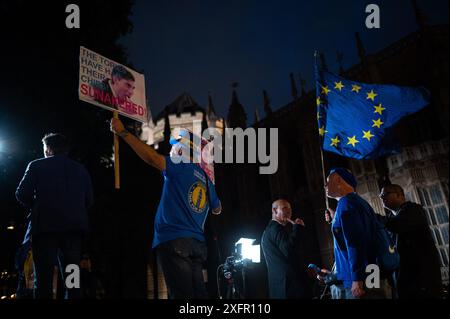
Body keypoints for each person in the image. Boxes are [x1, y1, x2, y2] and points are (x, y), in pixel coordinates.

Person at [110, 118, 221, 299]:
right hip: (197, 245)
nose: (170, 151)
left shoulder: (177, 165)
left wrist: (123, 132)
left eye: (173, 147)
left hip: (174, 240)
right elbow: (217, 208)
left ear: (180, 150)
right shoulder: (207, 180)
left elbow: (152, 158)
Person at [15, 133, 93, 299]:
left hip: (44, 230)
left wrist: (37, 205)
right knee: (73, 280)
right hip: (74, 231)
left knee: (43, 280)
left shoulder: (36, 166)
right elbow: (89, 199)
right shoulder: (81, 169)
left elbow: (21, 194)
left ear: (48, 149)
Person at [324, 167, 389, 299]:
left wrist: (357, 278)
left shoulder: (345, 204)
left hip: (358, 277)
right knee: (375, 294)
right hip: (372, 270)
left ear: (338, 180)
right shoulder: (360, 202)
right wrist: (336, 219)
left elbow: (355, 242)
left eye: (328, 180)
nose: (325, 185)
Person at [379, 184, 443, 299]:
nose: (381, 197)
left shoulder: (414, 210)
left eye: (385, 194)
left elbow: (398, 225)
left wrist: (371, 217)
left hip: (422, 278)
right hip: (403, 278)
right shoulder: (390, 218)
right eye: (380, 195)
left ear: (398, 194)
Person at [261, 199, 312, 299]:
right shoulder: (275, 228)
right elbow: (288, 250)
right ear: (275, 211)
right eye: (284, 209)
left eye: (290, 209)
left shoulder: (270, 229)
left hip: (281, 287)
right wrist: (297, 229)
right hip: (288, 288)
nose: (289, 212)